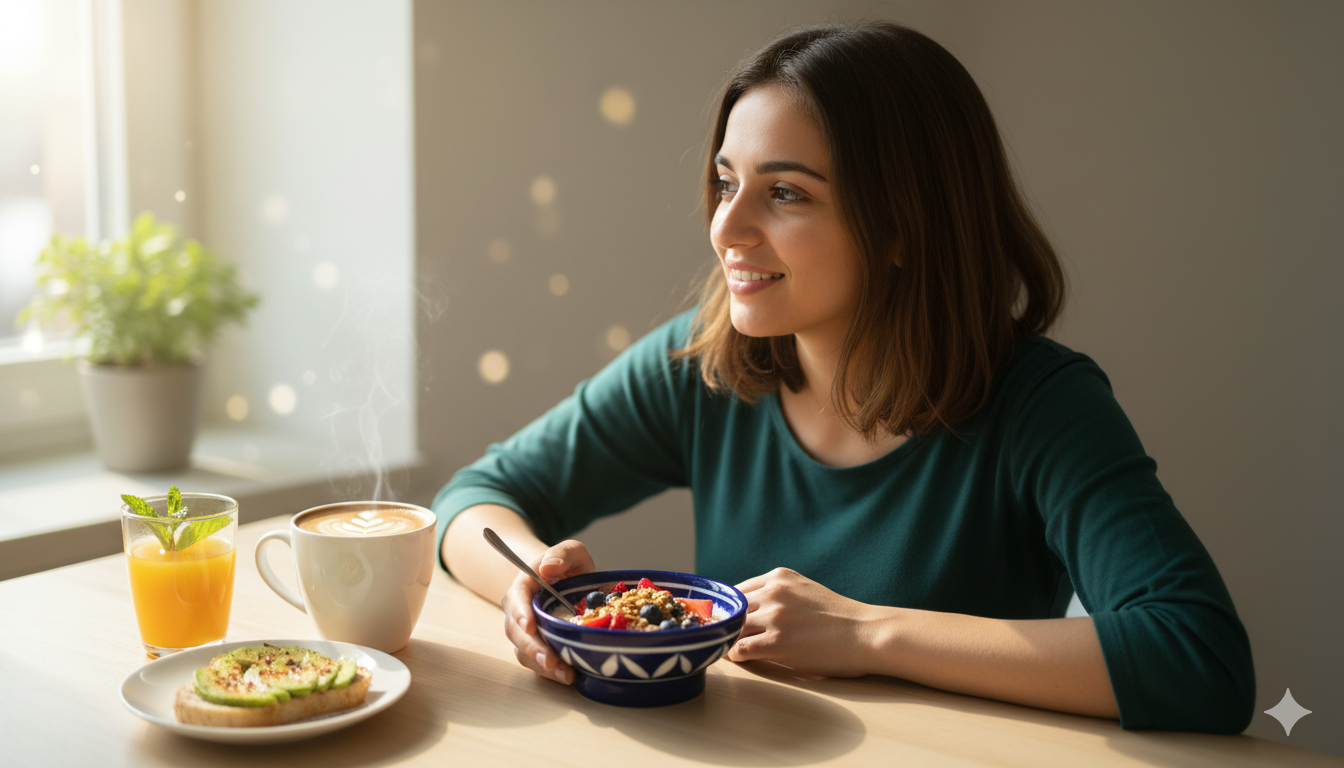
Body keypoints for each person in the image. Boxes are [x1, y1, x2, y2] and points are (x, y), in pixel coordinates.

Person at [436, 22, 1255, 733]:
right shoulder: (701, 365)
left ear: (902, 225)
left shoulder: (1044, 406)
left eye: (784, 192)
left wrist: (867, 633)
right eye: (727, 182)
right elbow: (474, 498)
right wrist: (530, 588)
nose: (726, 226)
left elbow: (1199, 659)